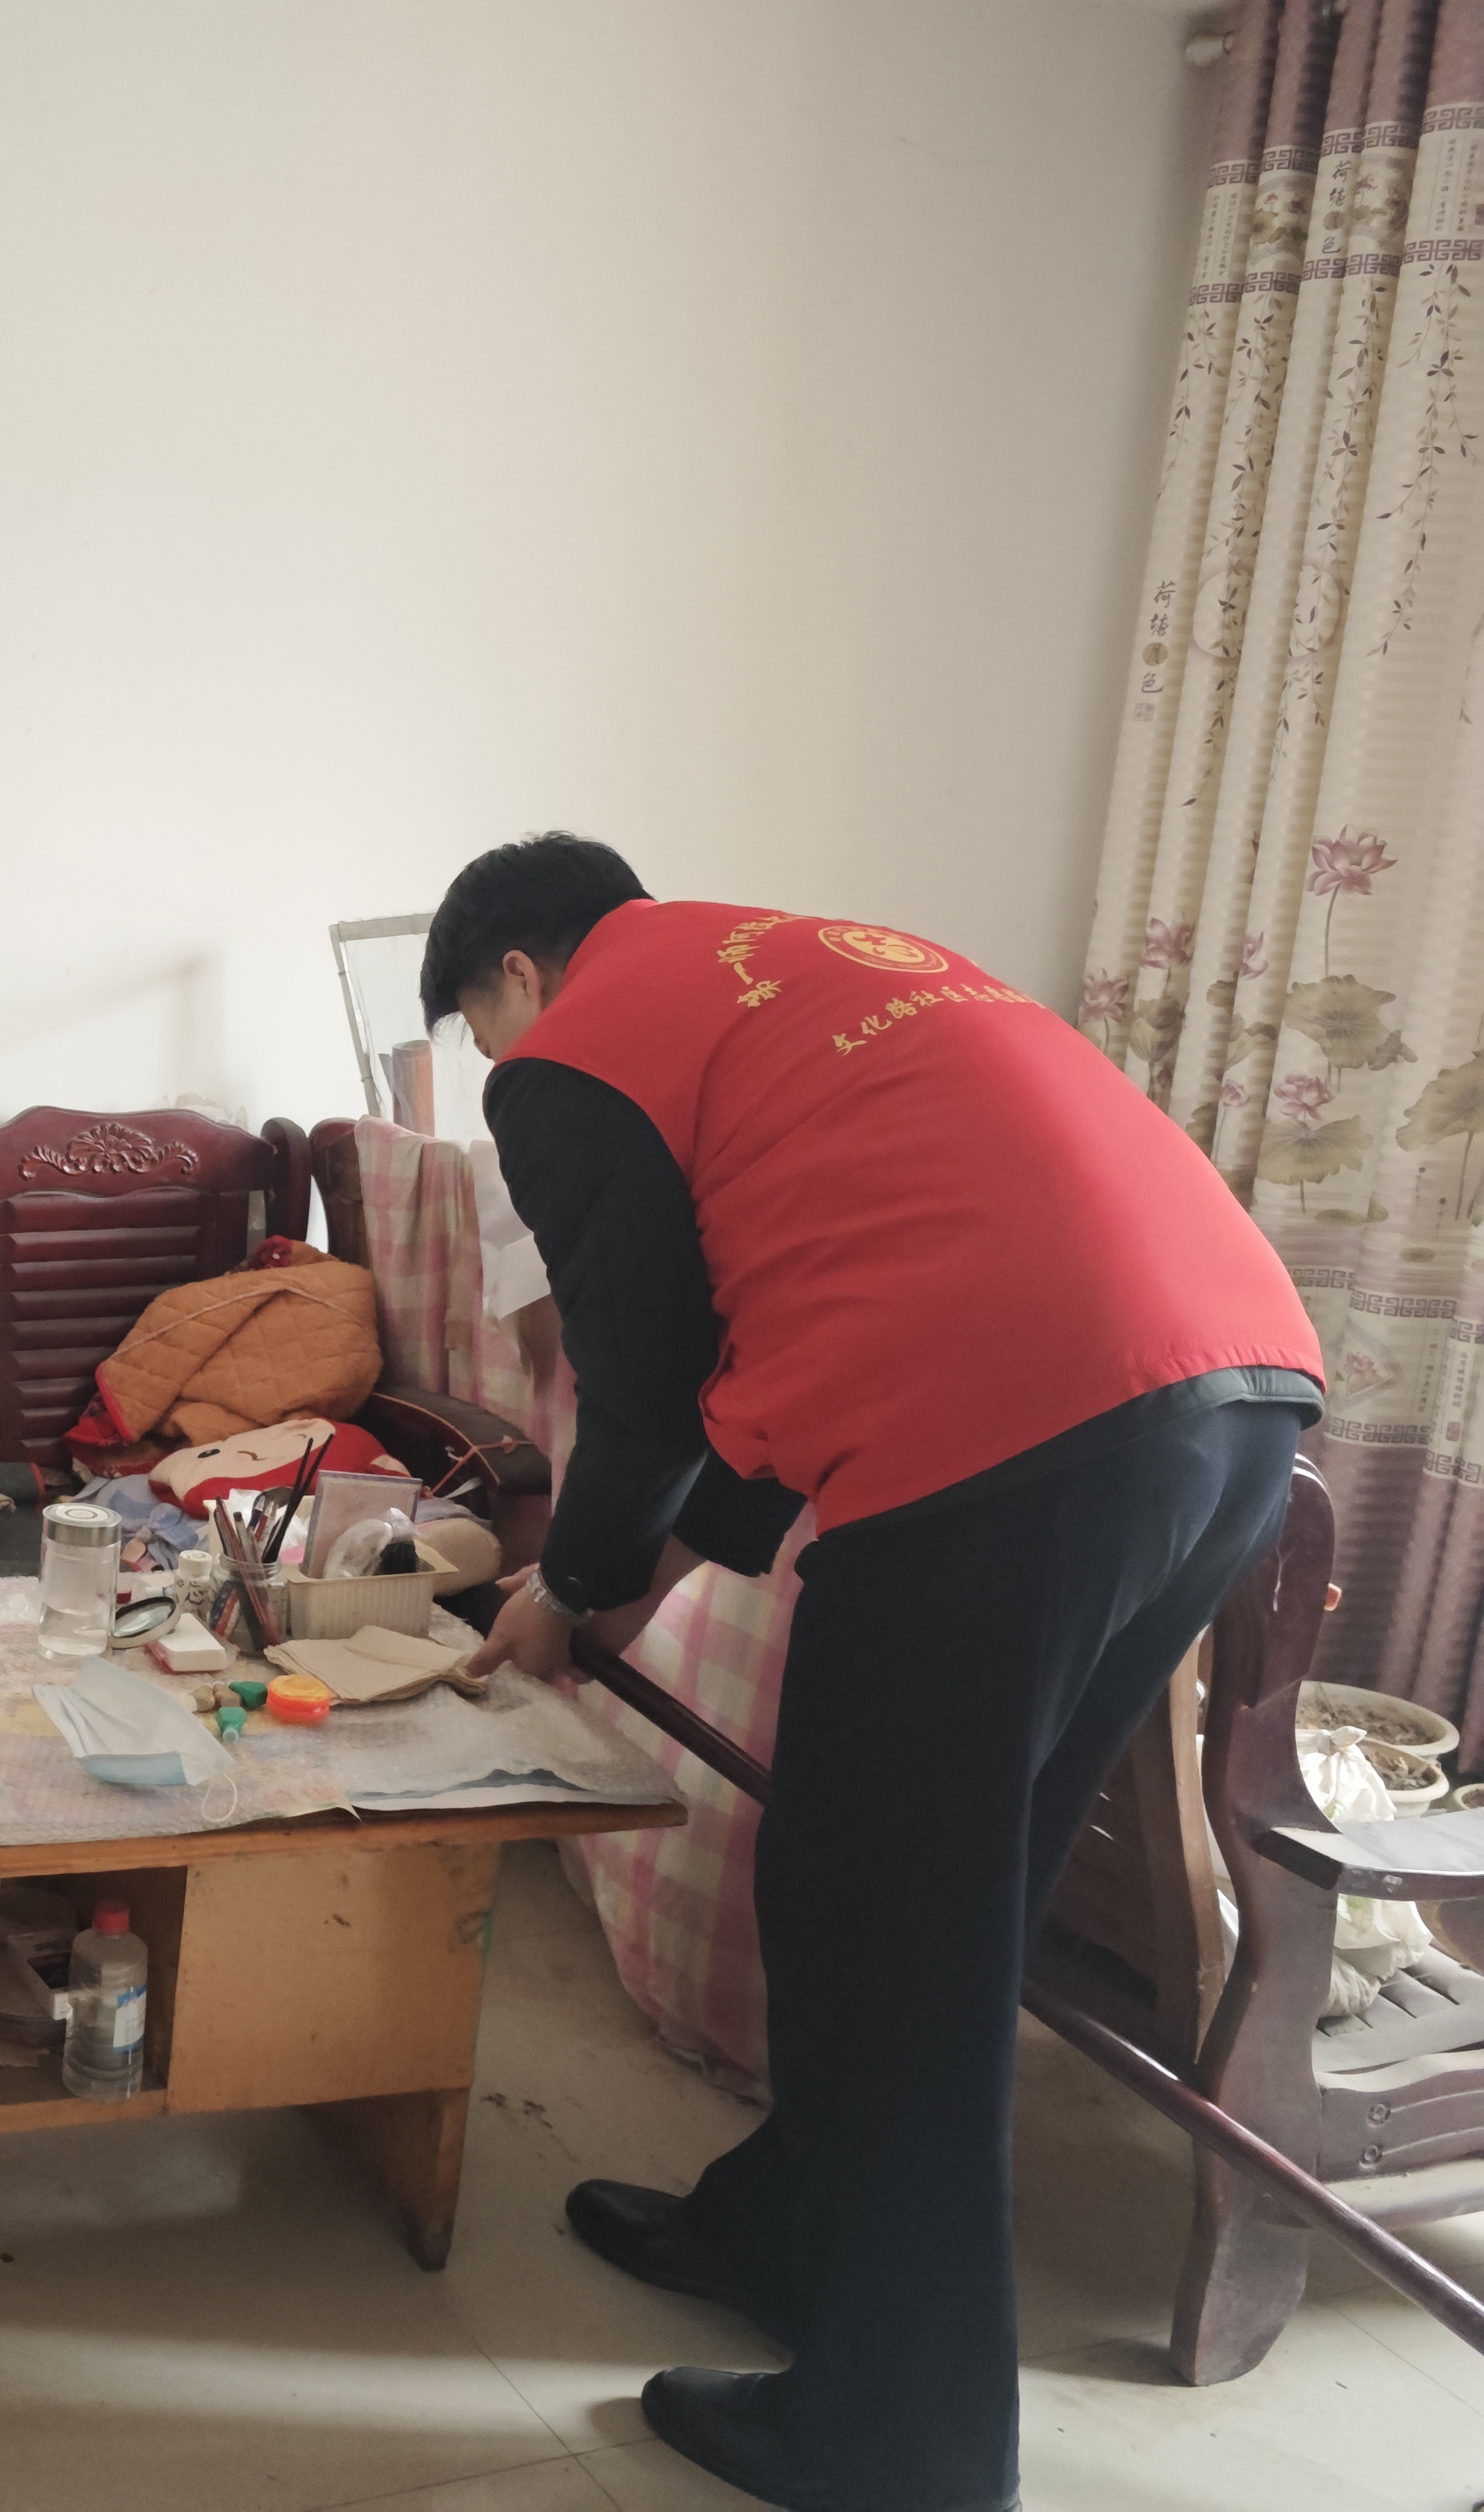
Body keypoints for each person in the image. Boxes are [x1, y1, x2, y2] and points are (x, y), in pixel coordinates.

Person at [433, 835, 1323, 2512]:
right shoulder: (800, 963)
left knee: (880, 1919)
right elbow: (766, 1366)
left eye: (486, 1032)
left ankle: (900, 2440)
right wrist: (633, 1584)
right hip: (1234, 1402)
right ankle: (784, 2235)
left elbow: (640, 1381)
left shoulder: (572, 1051)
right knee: (926, 1902)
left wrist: (573, 1585)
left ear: (519, 976)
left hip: (1012, 1429)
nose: (501, 1071)